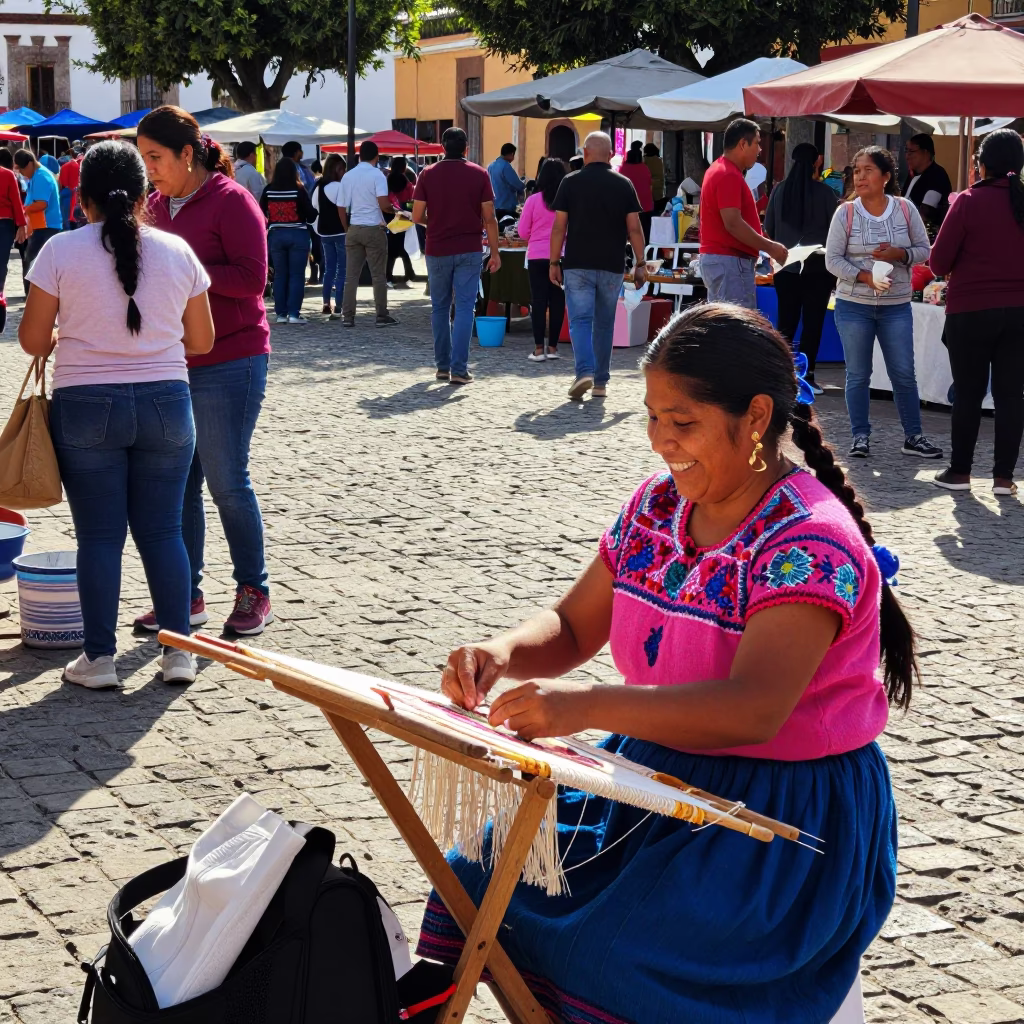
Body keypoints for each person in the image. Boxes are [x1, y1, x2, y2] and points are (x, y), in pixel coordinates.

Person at [420, 302, 906, 1024]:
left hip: (781, 820)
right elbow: (571, 624)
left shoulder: (809, 543)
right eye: (652, 418)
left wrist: (583, 707)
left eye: (682, 423)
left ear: (755, 417)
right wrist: (500, 655)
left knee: (611, 958)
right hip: (653, 777)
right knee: (470, 882)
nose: (660, 443)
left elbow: (752, 709)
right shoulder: (656, 508)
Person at [17, 140, 215, 689]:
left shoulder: (59, 251)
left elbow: (33, 341)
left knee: (99, 539)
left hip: (86, 406)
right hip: (167, 403)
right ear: (145, 194)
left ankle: (99, 660)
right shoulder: (178, 252)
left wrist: (66, 333)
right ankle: (179, 652)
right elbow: (200, 340)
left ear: (82, 199)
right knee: (164, 531)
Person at [137, 105, 275, 636]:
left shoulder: (232, 200)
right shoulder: (155, 205)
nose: (149, 168)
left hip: (231, 359)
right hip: (173, 360)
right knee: (179, 484)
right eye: (144, 158)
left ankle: (253, 589)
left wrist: (186, 271)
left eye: (156, 157)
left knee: (226, 480)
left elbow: (251, 279)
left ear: (187, 154)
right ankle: (185, 594)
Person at [824, 146, 941, 461]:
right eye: (857, 170)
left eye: (868, 170)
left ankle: (913, 437)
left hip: (896, 306)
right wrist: (864, 276)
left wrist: (899, 255)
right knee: (858, 374)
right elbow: (832, 260)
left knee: (903, 372)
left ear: (886, 177)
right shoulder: (845, 212)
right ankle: (860, 437)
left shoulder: (905, 209)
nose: (860, 177)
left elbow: (924, 249)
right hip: (853, 306)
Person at [929, 129, 1024, 495]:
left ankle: (960, 472)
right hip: (1019, 312)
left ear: (982, 164)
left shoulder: (968, 201)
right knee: (1011, 396)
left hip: (970, 310)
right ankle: (1004, 478)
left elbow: (938, 261)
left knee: (968, 394)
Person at [549, 131, 645, 401]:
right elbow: (634, 228)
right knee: (604, 324)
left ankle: (585, 372)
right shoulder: (624, 184)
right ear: (610, 155)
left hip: (577, 263)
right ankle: (600, 382)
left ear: (586, 153)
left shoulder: (570, 182)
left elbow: (559, 227)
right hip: (612, 265)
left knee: (580, 320)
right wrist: (640, 262)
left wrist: (554, 261)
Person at [412, 126, 499, 385]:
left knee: (439, 307)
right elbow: (490, 218)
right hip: (469, 248)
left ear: (441, 147)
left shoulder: (427, 174)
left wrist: (435, 222)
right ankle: (459, 369)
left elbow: (417, 216)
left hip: (437, 248)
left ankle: (442, 366)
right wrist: (495, 252)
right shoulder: (479, 174)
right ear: (466, 149)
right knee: (464, 308)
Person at [763, 142, 838, 396]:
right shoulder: (826, 194)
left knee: (786, 321)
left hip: (786, 265)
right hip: (820, 267)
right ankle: (809, 376)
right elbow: (835, 231)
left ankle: (781, 375)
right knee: (813, 323)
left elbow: (769, 228)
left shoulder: (780, 190)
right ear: (818, 161)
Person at [699, 119, 787, 309]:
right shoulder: (727, 173)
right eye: (757, 143)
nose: (759, 150)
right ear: (742, 144)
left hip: (726, 261)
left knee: (728, 329)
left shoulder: (721, 169)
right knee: (734, 331)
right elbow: (733, 223)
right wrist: (770, 247)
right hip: (730, 262)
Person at [338, 139, 398, 329]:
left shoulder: (348, 176)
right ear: (376, 157)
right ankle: (381, 315)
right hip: (374, 228)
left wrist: (346, 229)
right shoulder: (377, 175)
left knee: (351, 276)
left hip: (354, 228)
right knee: (378, 275)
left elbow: (341, 205)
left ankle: (347, 316)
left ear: (359, 155)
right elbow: (383, 204)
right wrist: (396, 212)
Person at [518, 158, 567, 362]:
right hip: (562, 256)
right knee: (557, 301)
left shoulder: (533, 200)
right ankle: (553, 347)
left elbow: (522, 232)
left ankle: (539, 349)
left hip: (537, 255)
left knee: (538, 301)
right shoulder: (567, 201)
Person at [260, 157, 314, 325]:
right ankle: (294, 314)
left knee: (280, 275)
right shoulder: (299, 189)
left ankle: (281, 313)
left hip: (276, 235)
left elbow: (260, 212)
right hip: (298, 234)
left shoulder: (268, 190)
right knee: (297, 275)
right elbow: (310, 214)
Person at [311, 153, 346, 318]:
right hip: (340, 231)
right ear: (338, 169)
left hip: (324, 232)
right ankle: (339, 305)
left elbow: (314, 208)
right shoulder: (339, 187)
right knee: (342, 269)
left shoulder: (318, 186)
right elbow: (345, 209)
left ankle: (326, 303)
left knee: (329, 269)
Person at [14, 149, 62, 272]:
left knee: (33, 266)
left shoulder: (41, 176)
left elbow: (41, 204)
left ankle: (32, 291)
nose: (22, 174)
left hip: (45, 227)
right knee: (32, 263)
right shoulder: (36, 176)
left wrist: (24, 209)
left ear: (30, 164)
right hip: (40, 226)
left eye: (22, 170)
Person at [281, 141, 320, 283]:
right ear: (296, 152)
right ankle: (307, 273)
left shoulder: (285, 168)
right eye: (301, 150)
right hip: (300, 216)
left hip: (291, 218)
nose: (302, 153)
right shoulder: (296, 169)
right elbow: (306, 188)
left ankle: (310, 272)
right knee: (307, 245)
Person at [902, 134, 952, 232]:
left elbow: (925, 214)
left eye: (911, 151)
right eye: (906, 151)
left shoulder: (937, 175)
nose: (907, 156)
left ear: (926, 153)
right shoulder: (912, 174)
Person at [0, 149, 26, 306]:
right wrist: (21, 224)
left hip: (6, 223)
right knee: (1, 262)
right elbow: (16, 202)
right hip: (5, 223)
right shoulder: (8, 174)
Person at [386, 159, 418, 286]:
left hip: (389, 215)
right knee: (400, 246)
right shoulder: (406, 182)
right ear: (403, 167)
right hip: (404, 216)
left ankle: (390, 275)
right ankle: (409, 273)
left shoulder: (387, 180)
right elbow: (412, 198)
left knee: (393, 246)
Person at [620, 143, 654, 241]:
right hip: (645, 205)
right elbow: (650, 186)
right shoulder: (644, 168)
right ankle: (645, 251)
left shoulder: (623, 169)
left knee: (629, 232)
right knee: (645, 231)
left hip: (628, 206)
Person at [488, 142, 525, 222]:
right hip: (506, 207)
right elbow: (516, 184)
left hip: (494, 206)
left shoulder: (490, 166)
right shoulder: (506, 166)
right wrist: (524, 185)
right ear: (511, 154)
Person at [644, 141, 666, 213]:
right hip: (659, 186)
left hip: (648, 186)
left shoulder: (645, 160)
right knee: (656, 207)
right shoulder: (659, 160)